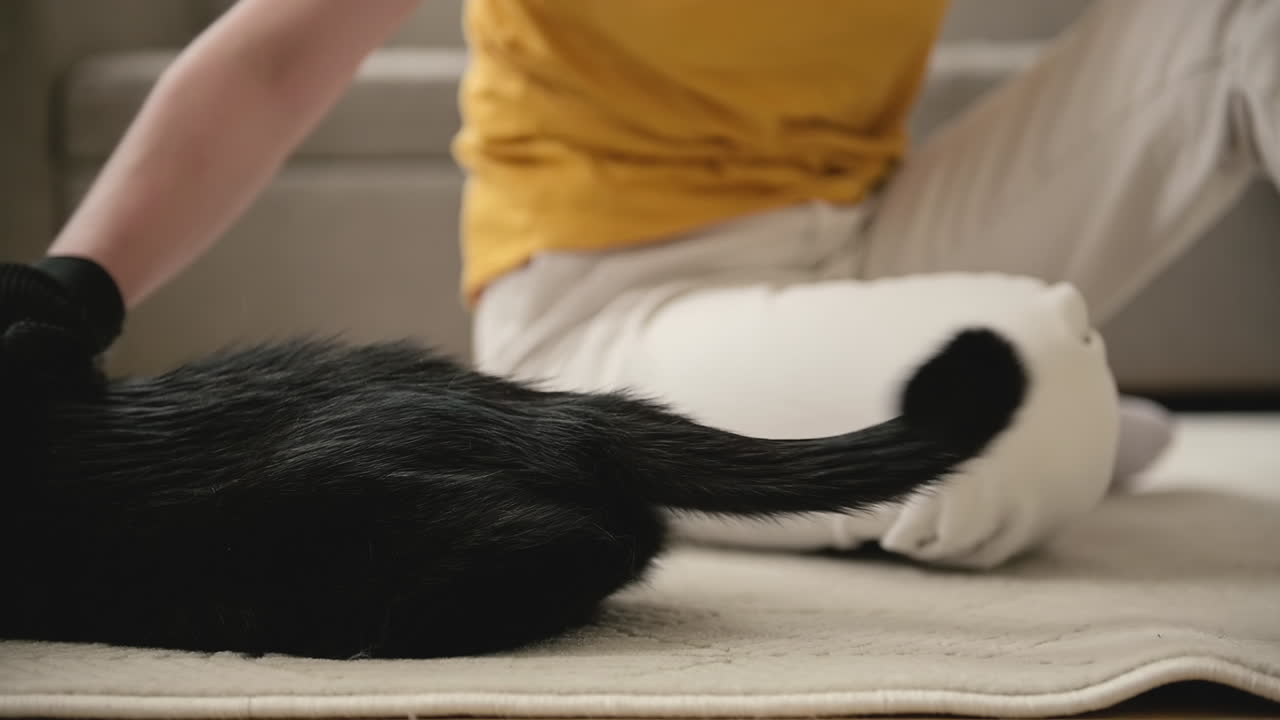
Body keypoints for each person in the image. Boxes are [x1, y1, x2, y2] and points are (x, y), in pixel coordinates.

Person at [4, 0, 1275, 567]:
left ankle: (1045, 425)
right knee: (1032, 391)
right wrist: (74, 290)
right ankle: (1069, 426)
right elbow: (277, 59)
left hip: (881, 226)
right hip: (616, 302)